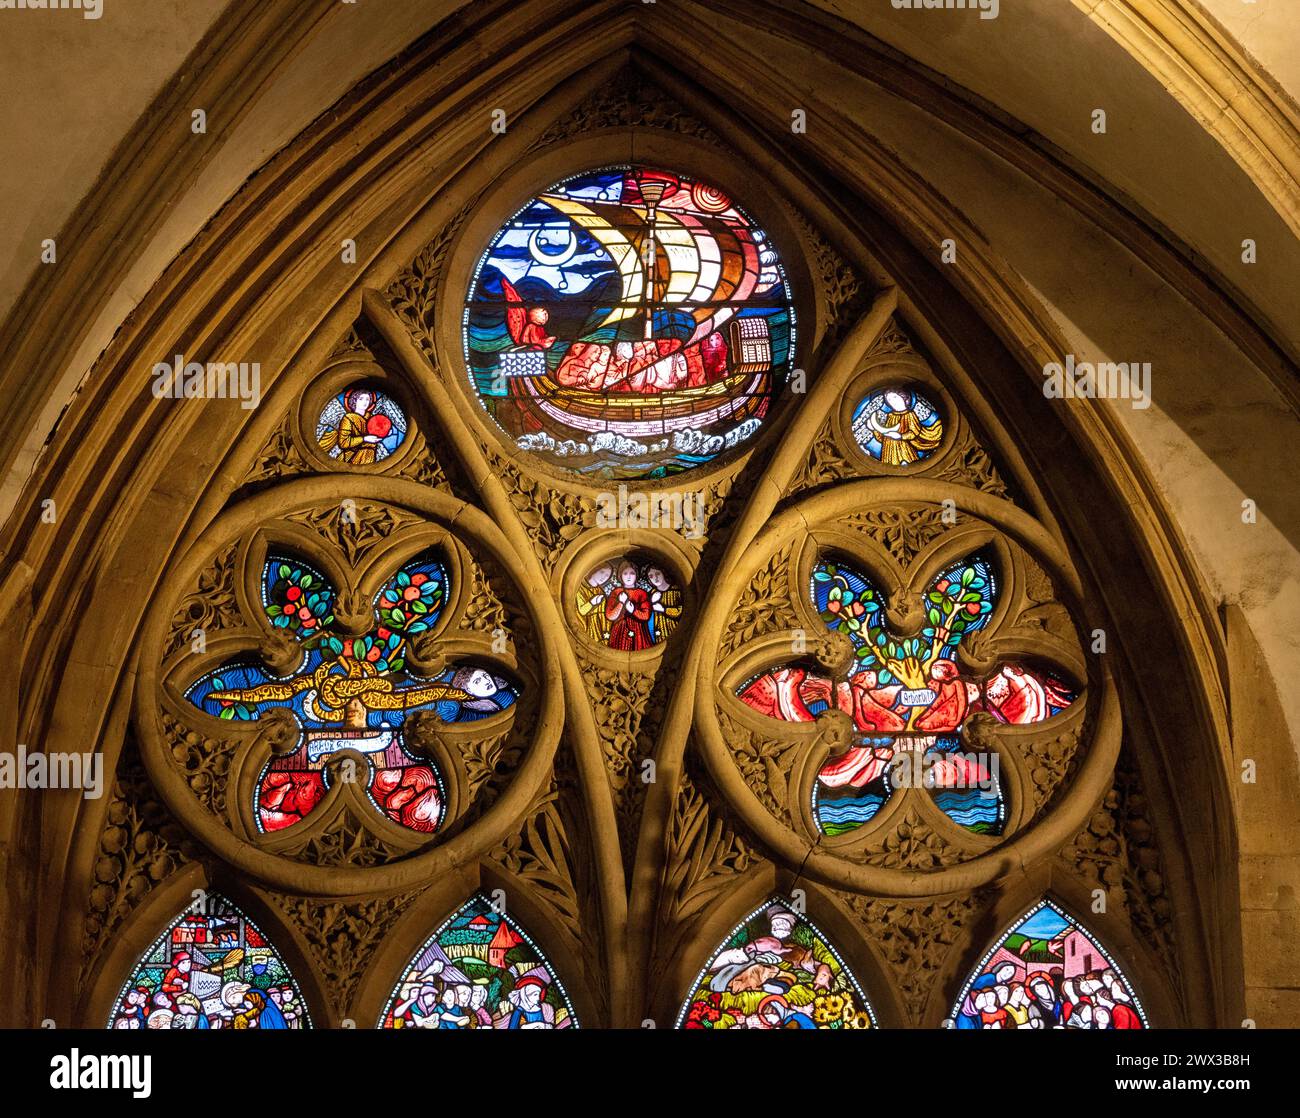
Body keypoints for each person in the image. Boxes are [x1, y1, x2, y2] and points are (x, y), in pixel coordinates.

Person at [605, 561, 653, 651]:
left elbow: (646, 615)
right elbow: (610, 615)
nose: (629, 576)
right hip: (620, 631)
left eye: (632, 573)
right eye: (625, 573)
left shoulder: (641, 593)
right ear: (620, 575)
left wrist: (632, 610)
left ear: (636, 575)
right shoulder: (616, 592)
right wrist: (621, 603)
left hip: (639, 631)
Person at [646, 566, 682, 642]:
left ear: (663, 573)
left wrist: (663, 609)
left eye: (657, 573)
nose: (655, 578)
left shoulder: (675, 591)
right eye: (651, 576)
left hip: (672, 627)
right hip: (657, 629)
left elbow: (679, 611)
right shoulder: (652, 593)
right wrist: (651, 602)